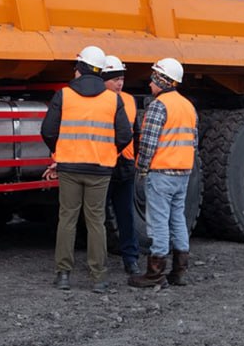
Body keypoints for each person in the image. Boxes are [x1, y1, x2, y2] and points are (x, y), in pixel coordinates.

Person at [40, 46, 132, 293]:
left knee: (67, 219)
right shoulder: (113, 99)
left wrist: (60, 152)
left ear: (79, 68)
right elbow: (125, 134)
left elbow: (48, 130)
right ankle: (98, 278)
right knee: (96, 222)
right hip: (100, 169)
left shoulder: (64, 95)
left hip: (69, 167)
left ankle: (63, 275)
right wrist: (109, 151)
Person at [128, 57, 199, 289]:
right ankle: (179, 271)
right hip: (183, 172)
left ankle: (155, 273)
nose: (150, 84)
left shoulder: (159, 106)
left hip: (162, 172)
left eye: (153, 79)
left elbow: (148, 142)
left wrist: (141, 168)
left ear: (162, 80)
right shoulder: (188, 106)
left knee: (158, 221)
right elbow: (194, 142)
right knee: (177, 219)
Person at [101, 55, 141, 275]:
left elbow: (135, 132)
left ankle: (131, 258)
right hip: (104, 163)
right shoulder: (97, 99)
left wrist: (135, 160)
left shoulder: (129, 100)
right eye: (115, 78)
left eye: (122, 79)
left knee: (125, 213)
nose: (120, 83)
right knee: (98, 216)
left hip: (123, 165)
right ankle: (98, 262)